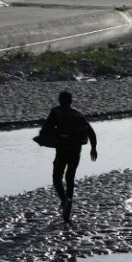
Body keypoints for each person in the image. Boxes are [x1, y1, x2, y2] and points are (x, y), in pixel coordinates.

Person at [40, 91, 98, 223]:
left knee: (56, 178)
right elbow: (91, 132)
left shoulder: (56, 112)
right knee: (70, 177)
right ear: (71, 101)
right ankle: (68, 208)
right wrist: (93, 148)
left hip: (62, 150)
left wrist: (43, 139)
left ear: (59, 100)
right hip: (76, 150)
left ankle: (64, 200)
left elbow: (45, 130)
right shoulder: (78, 114)